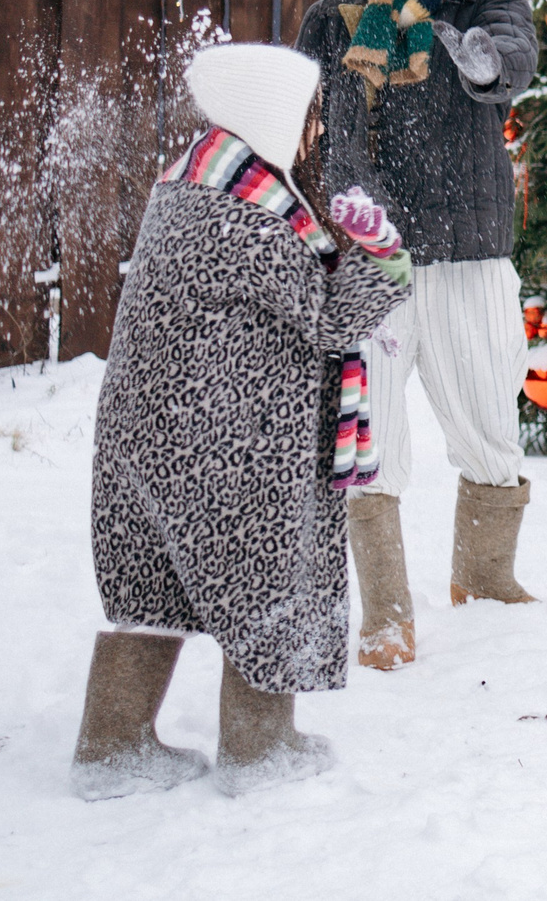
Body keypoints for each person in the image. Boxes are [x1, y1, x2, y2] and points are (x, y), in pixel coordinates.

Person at [76, 43, 414, 799]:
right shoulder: (248, 213)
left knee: (152, 589)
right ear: (275, 114)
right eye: (309, 116)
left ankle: (111, 745)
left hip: (147, 435)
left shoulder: (193, 179)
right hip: (230, 443)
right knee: (267, 577)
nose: (316, 133)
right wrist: (385, 262)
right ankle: (260, 751)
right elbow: (326, 320)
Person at [296, 0, 538, 669]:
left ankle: (485, 578)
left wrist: (480, 64)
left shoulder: (484, 0)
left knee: (490, 423)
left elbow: (512, 59)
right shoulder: (336, 16)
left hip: (470, 248)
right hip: (377, 254)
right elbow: (316, 116)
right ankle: (386, 617)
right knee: (374, 436)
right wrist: (344, 200)